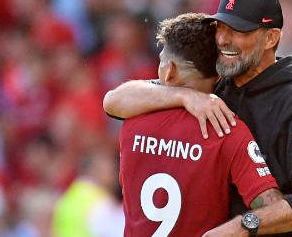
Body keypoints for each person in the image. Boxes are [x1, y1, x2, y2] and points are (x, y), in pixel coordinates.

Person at [104, 0, 292, 236]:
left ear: (271, 38)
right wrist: (184, 95)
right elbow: (114, 101)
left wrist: (243, 226)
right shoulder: (215, 83)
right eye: (221, 28)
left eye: (238, 30)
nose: (224, 39)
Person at [117, 12, 281, 236]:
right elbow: (273, 207)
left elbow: (114, 99)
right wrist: (239, 227)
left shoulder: (133, 118)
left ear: (170, 71)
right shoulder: (228, 130)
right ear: (218, 76)